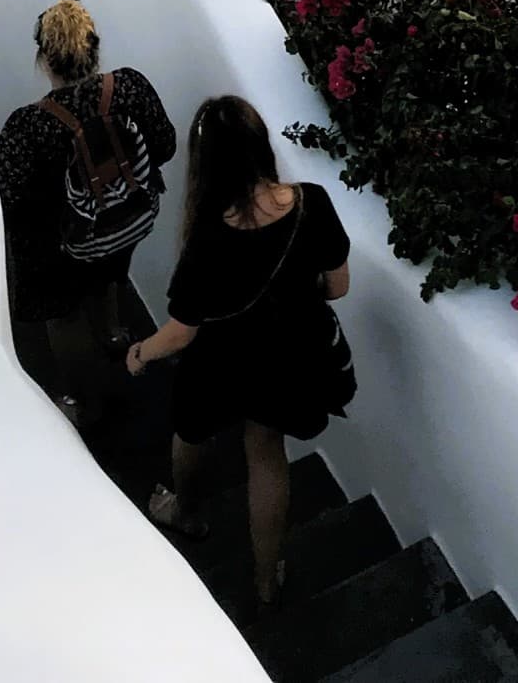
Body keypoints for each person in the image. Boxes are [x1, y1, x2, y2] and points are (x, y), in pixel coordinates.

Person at [127, 96, 355, 609]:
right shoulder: (312, 203)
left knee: (190, 433)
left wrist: (140, 353)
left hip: (220, 362)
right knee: (267, 458)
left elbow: (182, 333)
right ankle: (265, 579)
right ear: (261, 146)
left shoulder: (208, 238)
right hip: (287, 359)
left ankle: (184, 513)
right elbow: (337, 286)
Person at [0, 0, 176, 425]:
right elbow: (165, 144)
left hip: (60, 247)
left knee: (65, 317)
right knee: (109, 273)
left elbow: (10, 195)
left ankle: (82, 399)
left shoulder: (27, 126)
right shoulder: (129, 87)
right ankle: (113, 332)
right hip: (123, 224)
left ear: (43, 58)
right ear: (95, 48)